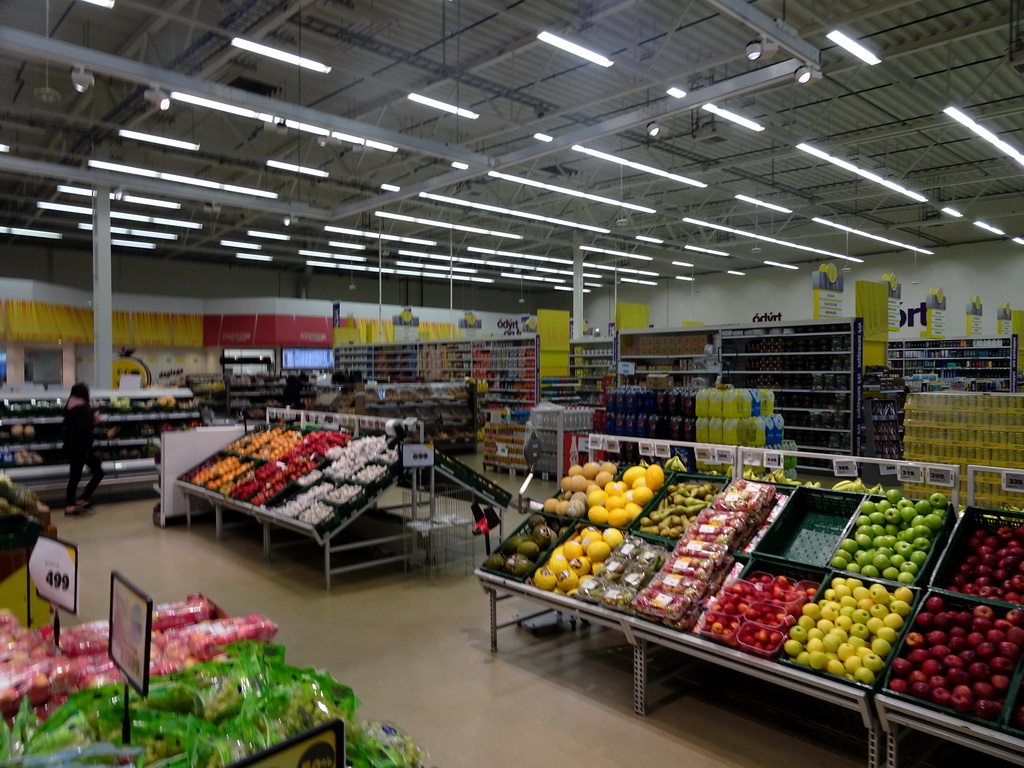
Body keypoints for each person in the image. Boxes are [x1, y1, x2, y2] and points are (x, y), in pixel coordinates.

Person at [62, 382, 111, 515]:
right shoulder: (83, 409)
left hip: (73, 447)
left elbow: (77, 429)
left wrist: (92, 423)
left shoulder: (70, 406)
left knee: (76, 477)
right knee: (96, 473)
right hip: (81, 449)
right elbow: (84, 433)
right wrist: (104, 434)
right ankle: (73, 504)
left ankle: (76, 502)